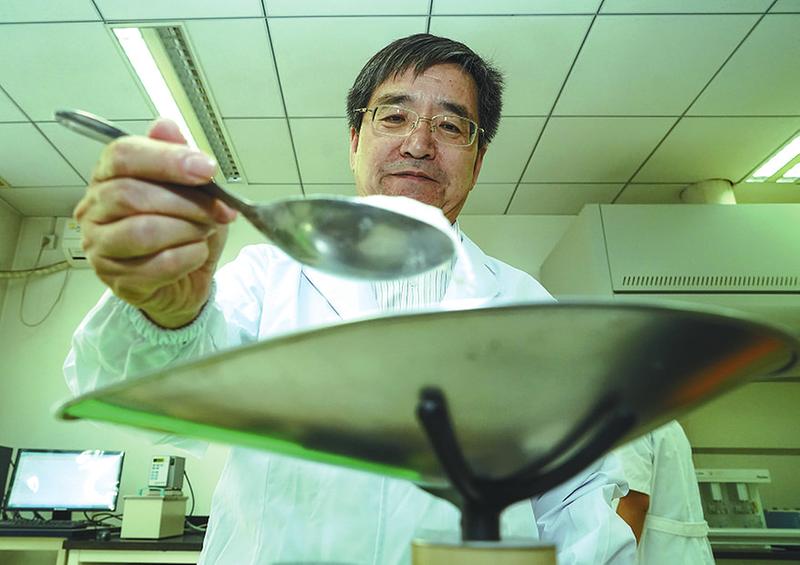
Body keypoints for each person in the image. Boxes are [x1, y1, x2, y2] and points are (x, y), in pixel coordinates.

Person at [64, 34, 636, 564]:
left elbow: (578, 499)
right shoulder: (269, 277)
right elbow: (151, 401)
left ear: (478, 160)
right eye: (394, 116)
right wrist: (167, 313)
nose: (418, 144)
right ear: (356, 141)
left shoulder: (526, 306)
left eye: (450, 126)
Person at [615, 420, 714, 564]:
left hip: (659, 553)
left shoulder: (631, 427)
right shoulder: (667, 422)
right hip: (683, 553)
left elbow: (633, 503)